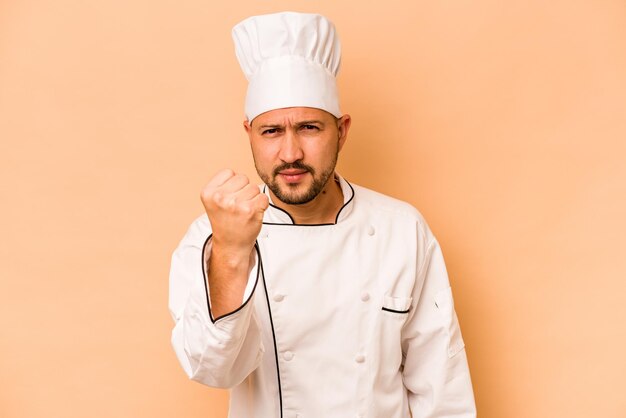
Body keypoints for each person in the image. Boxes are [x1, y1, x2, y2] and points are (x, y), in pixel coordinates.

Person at [169, 11, 476, 418]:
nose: (291, 153)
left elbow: (442, 386)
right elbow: (212, 369)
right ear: (250, 135)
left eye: (310, 128)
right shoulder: (210, 237)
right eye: (271, 131)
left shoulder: (401, 229)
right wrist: (231, 251)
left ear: (342, 131)